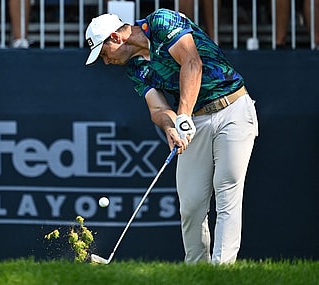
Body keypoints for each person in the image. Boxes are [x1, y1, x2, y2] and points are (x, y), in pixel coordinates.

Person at [84, 9, 258, 264]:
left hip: (233, 108)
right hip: (194, 120)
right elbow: (157, 108)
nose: (106, 62)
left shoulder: (161, 22)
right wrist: (171, 126)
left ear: (115, 38)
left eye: (103, 54)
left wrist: (183, 115)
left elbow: (192, 63)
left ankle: (223, 272)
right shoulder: (135, 68)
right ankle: (197, 272)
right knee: (191, 204)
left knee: (227, 190)